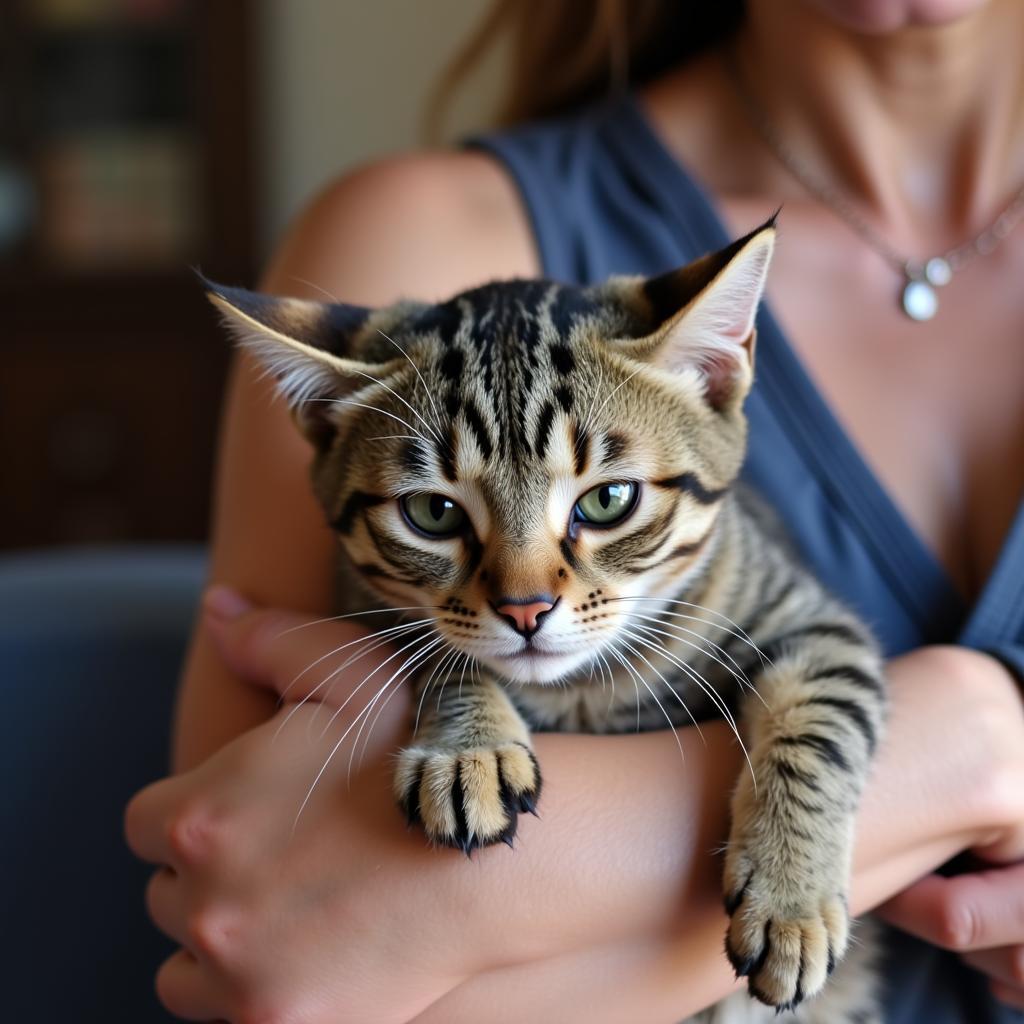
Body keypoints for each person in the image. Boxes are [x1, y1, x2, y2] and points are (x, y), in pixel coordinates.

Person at [124, 1, 1024, 1020]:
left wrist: (535, 882)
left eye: (602, 501)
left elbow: (382, 930)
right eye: (436, 513)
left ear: (720, 374)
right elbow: (269, 950)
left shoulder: (673, 381)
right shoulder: (401, 230)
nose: (522, 592)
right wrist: (969, 745)